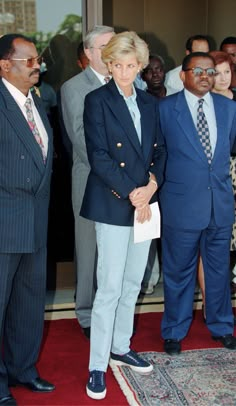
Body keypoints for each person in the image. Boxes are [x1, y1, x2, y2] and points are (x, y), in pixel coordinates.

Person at [80, 31, 166, 400]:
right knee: (110, 287)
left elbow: (160, 151)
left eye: (132, 66)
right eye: (118, 65)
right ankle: (96, 365)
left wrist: (150, 186)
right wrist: (132, 192)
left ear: (140, 66)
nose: (125, 72)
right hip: (114, 202)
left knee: (133, 282)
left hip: (145, 203)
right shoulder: (96, 100)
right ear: (108, 64)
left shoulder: (150, 103)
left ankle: (120, 345)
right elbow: (98, 155)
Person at [158, 51, 236, 356]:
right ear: (183, 75)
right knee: (179, 272)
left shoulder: (228, 108)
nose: (205, 76)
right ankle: (174, 330)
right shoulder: (164, 109)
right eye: (198, 70)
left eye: (210, 72)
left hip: (219, 205)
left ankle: (221, 326)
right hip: (181, 205)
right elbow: (159, 153)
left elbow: (225, 152)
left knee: (218, 272)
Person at [0, 34, 55, 405]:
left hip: (35, 222)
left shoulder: (37, 100)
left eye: (37, 60)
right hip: (4, 224)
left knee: (29, 303)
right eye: (30, 60)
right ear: (5, 65)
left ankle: (23, 369)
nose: (38, 66)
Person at [60, 25, 115, 339]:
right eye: (106, 46)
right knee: (89, 249)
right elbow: (82, 141)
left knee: (115, 252)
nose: (112, 51)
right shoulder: (74, 87)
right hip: (91, 179)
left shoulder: (128, 82)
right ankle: (85, 314)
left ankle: (112, 309)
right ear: (90, 52)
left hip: (124, 183)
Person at [197, 51, 236, 320]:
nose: (222, 78)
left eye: (227, 72)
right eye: (216, 72)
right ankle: (212, 302)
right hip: (216, 178)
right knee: (211, 243)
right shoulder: (202, 104)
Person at [140, 54, 167, 294]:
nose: (156, 74)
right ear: (143, 75)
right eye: (150, 71)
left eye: (159, 69)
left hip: (174, 172)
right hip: (151, 174)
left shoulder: (176, 97)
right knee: (148, 230)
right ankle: (148, 278)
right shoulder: (141, 101)